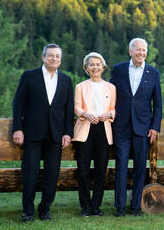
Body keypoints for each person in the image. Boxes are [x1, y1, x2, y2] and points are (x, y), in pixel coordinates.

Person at [12, 43, 74, 222]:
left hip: (56, 135)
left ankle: (45, 209)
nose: (54, 58)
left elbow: (68, 110)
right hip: (32, 134)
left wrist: (67, 133)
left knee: (52, 174)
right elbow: (18, 104)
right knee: (30, 173)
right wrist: (18, 128)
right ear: (43, 57)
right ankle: (28, 212)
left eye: (57, 56)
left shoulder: (66, 79)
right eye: (51, 55)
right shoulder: (29, 76)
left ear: (60, 60)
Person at [110, 38, 162, 217]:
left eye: (144, 50)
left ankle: (135, 207)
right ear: (130, 51)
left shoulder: (153, 72)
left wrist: (155, 127)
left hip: (143, 128)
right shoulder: (118, 70)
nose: (141, 53)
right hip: (121, 127)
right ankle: (120, 207)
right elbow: (110, 94)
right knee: (121, 165)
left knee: (140, 168)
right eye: (138, 50)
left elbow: (158, 104)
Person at [72, 52, 116, 217]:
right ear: (86, 68)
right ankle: (85, 207)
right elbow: (76, 108)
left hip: (103, 130)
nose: (95, 67)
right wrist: (85, 114)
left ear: (103, 67)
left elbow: (113, 109)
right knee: (83, 170)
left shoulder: (111, 88)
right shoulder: (80, 86)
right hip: (85, 129)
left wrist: (109, 114)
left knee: (100, 171)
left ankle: (96, 206)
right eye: (92, 64)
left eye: (98, 64)